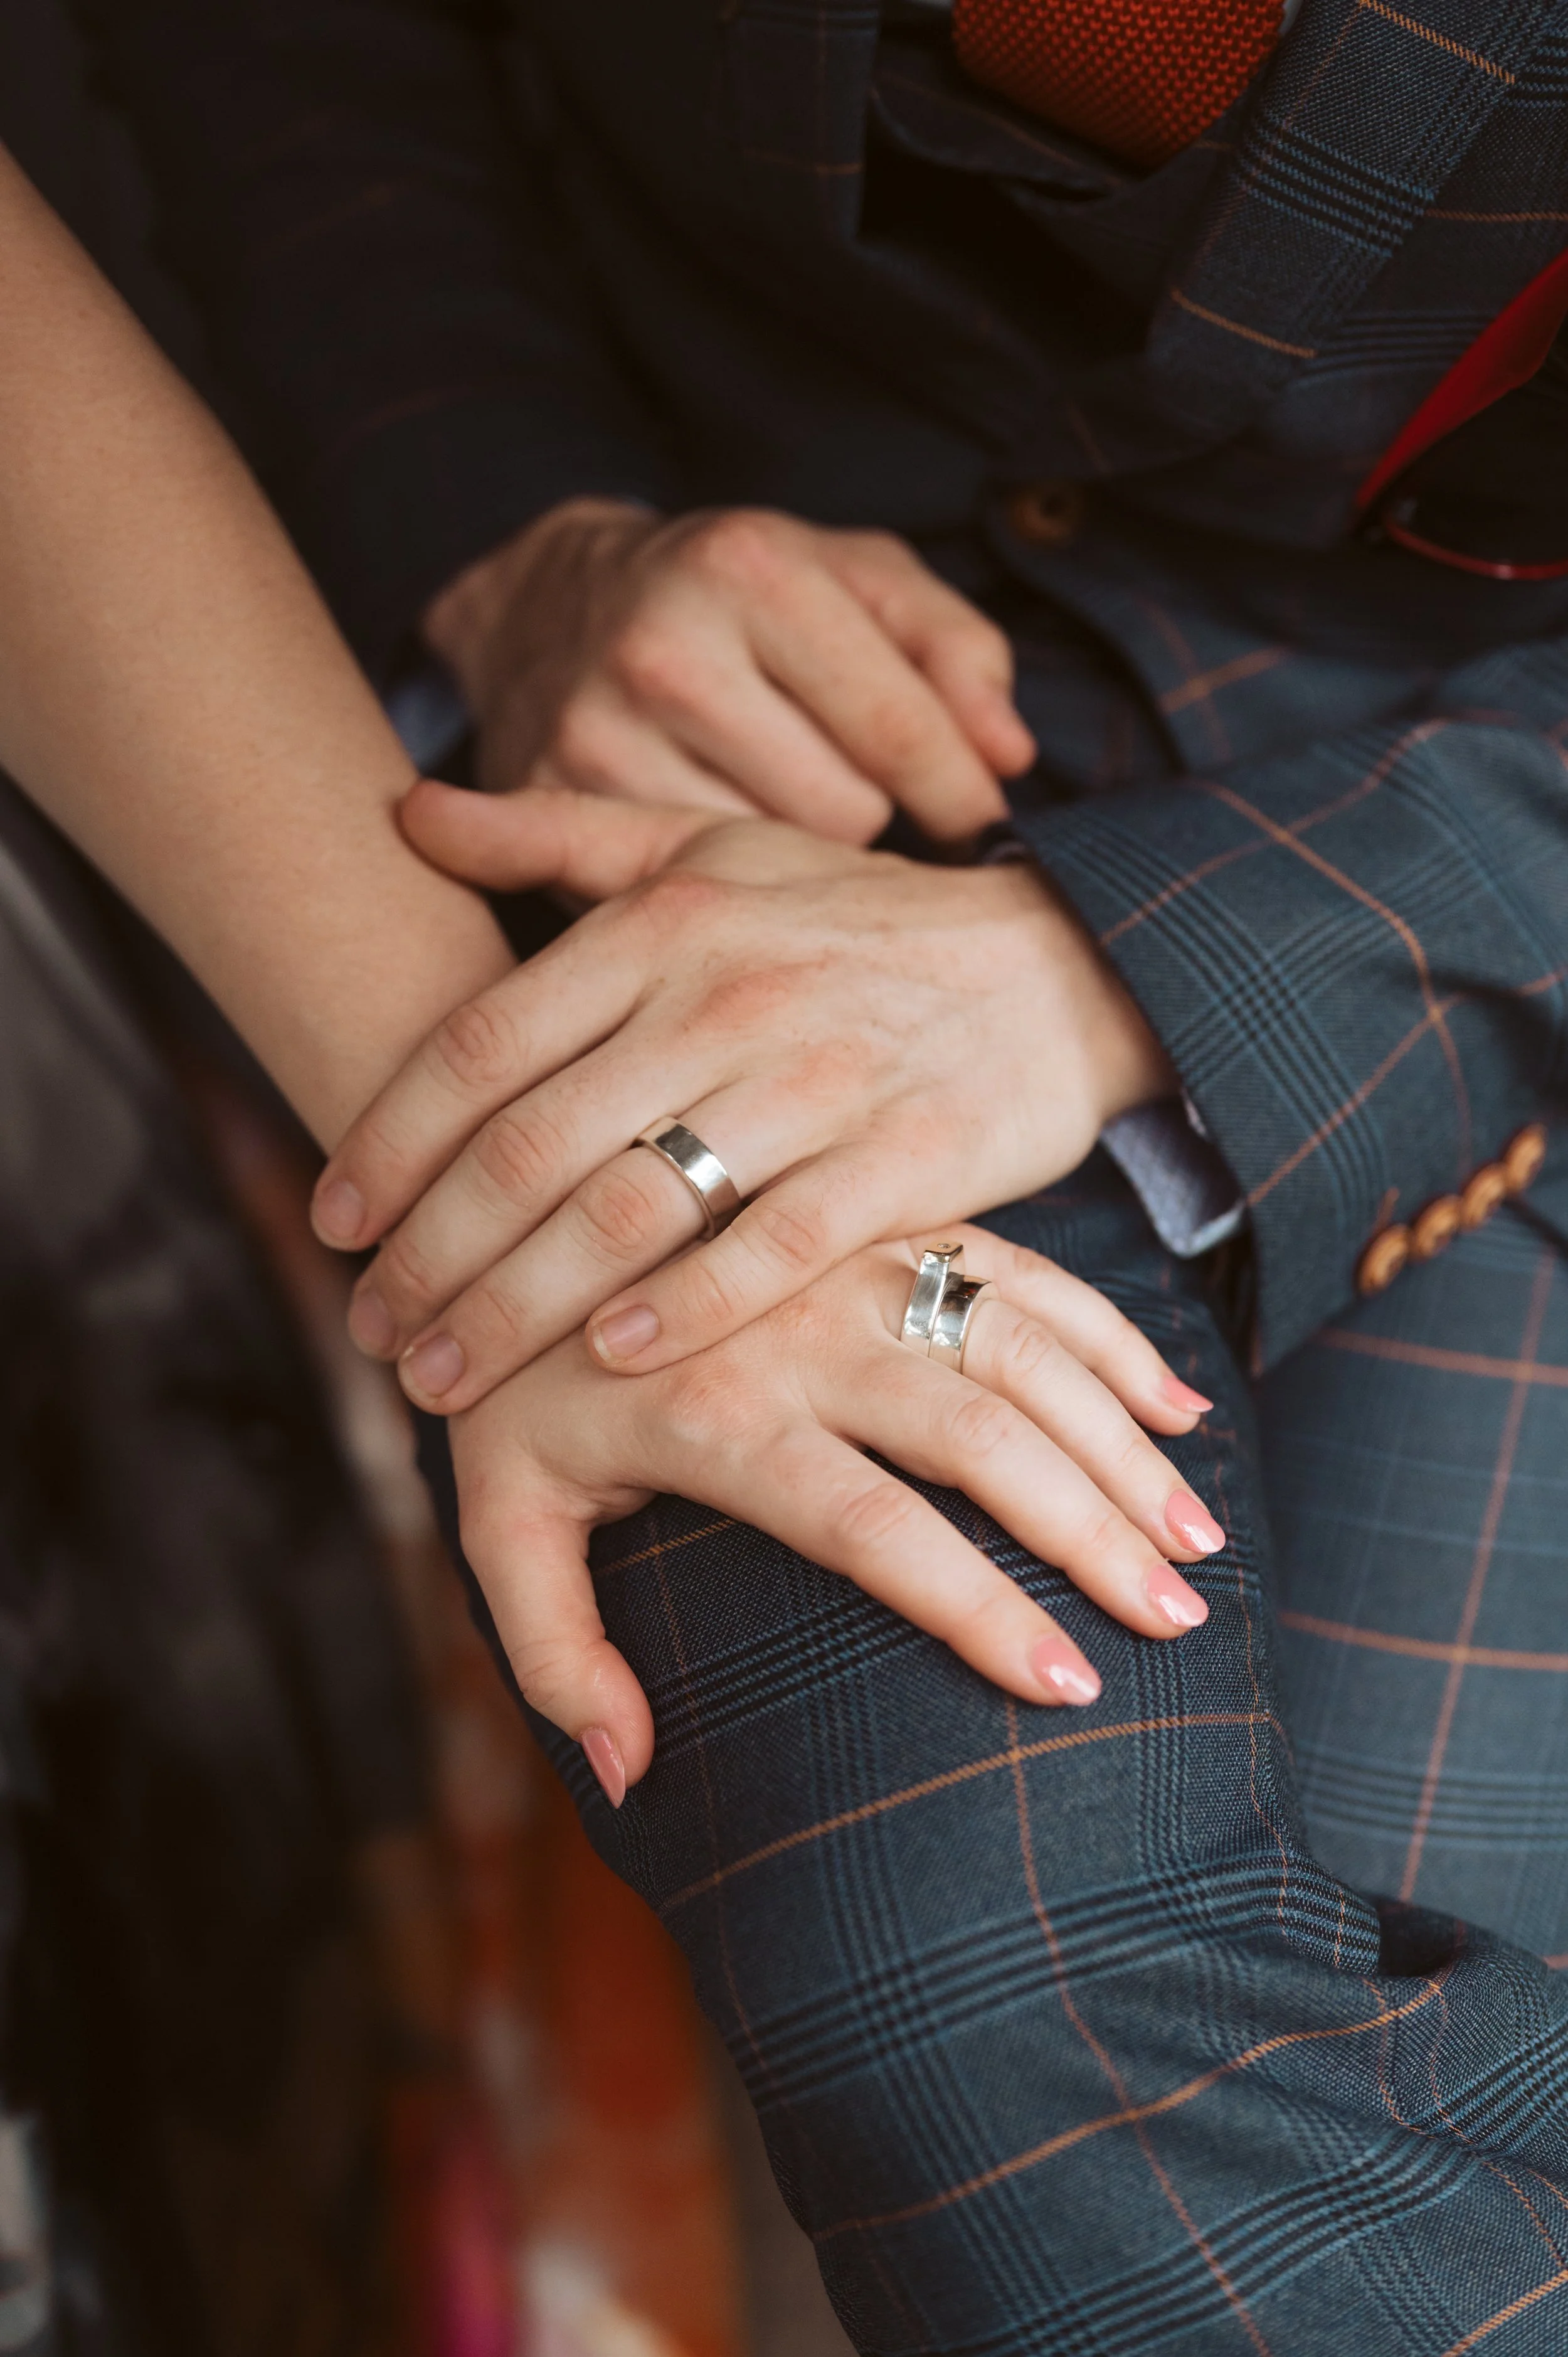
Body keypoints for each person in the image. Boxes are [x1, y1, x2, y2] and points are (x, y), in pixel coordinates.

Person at [50, 1, 1568, 2347]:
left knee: (1282, 2117)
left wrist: (1129, 966)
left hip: (1456, 806)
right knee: (982, 2004)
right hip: (658, 712)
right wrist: (514, 522)